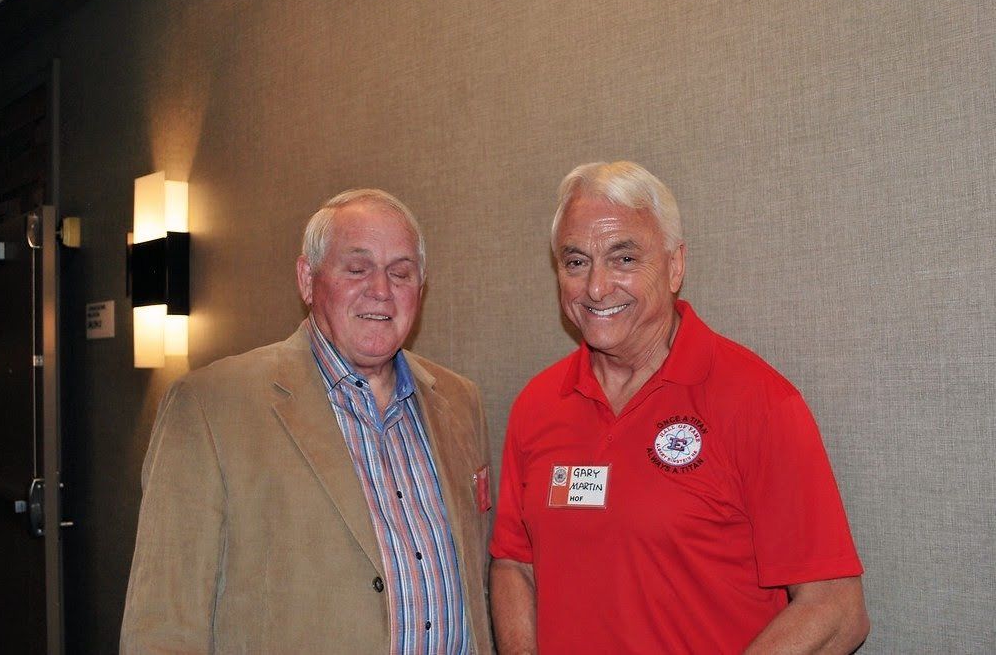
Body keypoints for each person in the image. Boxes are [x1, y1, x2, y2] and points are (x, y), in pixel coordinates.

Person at [489, 162, 869, 654]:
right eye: (576, 262)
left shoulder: (757, 401)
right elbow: (514, 564)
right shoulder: (537, 405)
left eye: (624, 258)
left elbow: (837, 610)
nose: (596, 287)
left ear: (674, 266)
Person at [121, 190, 493, 653]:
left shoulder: (460, 401)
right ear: (307, 280)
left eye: (401, 273)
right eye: (357, 269)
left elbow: (478, 586)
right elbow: (162, 627)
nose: (381, 290)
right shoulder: (208, 407)